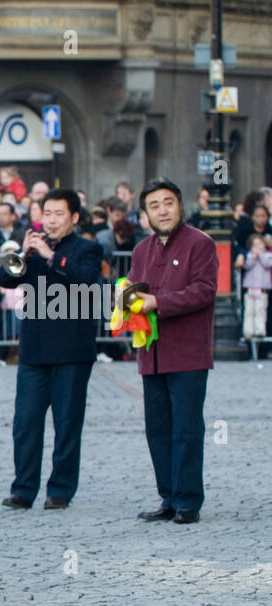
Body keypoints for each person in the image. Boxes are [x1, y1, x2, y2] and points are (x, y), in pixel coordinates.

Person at [0, 188, 103, 510]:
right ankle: (23, 489)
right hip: (34, 350)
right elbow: (6, 278)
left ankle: (60, 490)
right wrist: (24, 254)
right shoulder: (32, 249)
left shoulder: (88, 249)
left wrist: (51, 257)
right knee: (25, 423)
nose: (51, 220)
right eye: (47, 214)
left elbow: (84, 280)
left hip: (72, 350)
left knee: (68, 423)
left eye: (59, 214)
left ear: (74, 218)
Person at [128, 177, 218, 525]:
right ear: (145, 214)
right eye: (154, 205)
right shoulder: (141, 250)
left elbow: (204, 292)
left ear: (180, 206)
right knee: (158, 429)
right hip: (151, 354)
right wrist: (126, 303)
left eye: (168, 202)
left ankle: (188, 501)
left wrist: (157, 302)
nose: (162, 210)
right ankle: (168, 495)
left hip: (188, 353)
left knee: (186, 429)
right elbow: (135, 291)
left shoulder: (200, 243)